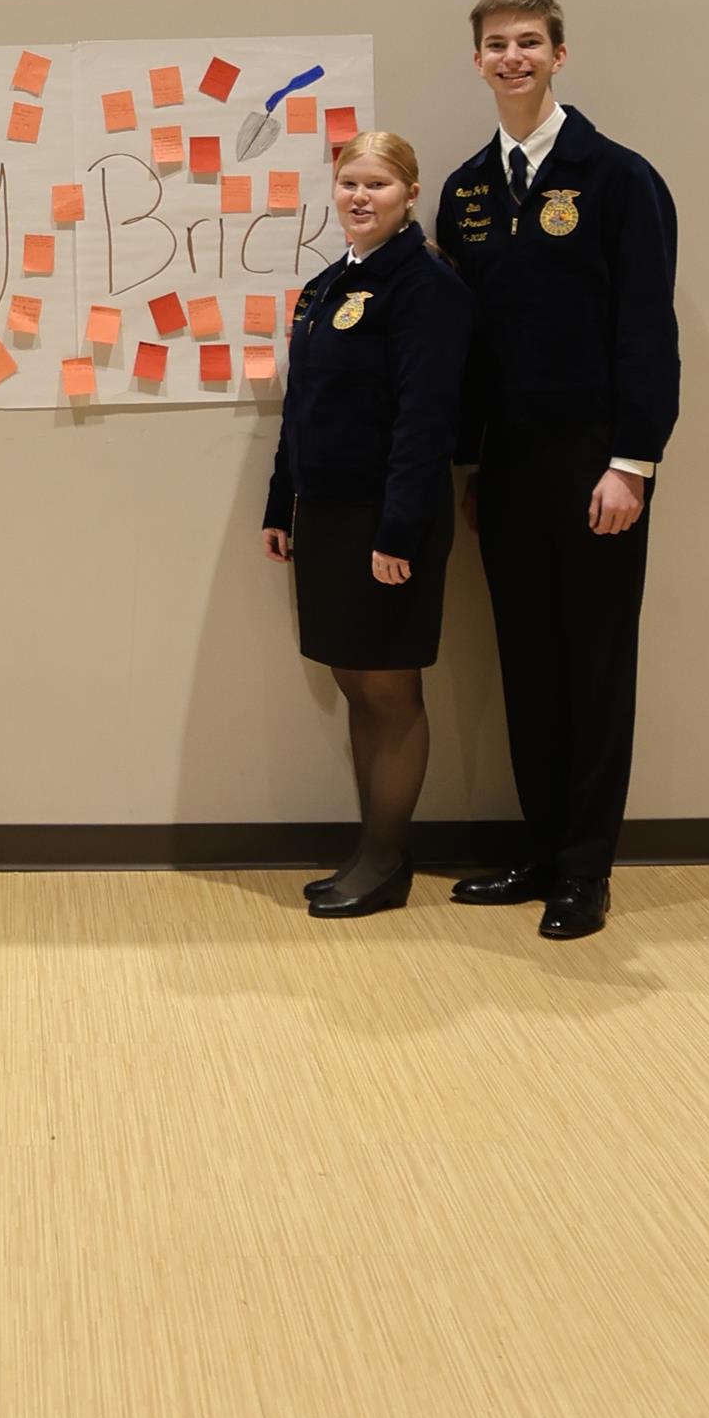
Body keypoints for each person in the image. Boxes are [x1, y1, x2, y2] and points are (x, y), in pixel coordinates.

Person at [438, 0, 678, 940]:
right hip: (506, 469)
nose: (513, 58)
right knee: (527, 663)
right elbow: (462, 351)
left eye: (529, 42)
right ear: (477, 61)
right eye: (497, 44)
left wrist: (631, 464)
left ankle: (585, 870)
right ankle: (538, 851)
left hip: (595, 463)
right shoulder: (465, 189)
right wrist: (468, 468)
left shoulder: (617, 178)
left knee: (594, 667)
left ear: (558, 55)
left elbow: (646, 331)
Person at [262, 132, 474, 917]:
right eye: (349, 182)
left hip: (385, 518)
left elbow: (425, 420)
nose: (359, 196)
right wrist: (279, 503)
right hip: (326, 514)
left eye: (377, 184)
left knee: (387, 691)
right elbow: (301, 408)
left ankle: (384, 861)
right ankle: (369, 851)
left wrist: (398, 531)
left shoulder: (424, 285)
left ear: (409, 194)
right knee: (354, 682)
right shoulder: (328, 285)